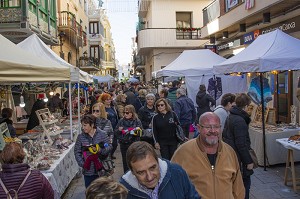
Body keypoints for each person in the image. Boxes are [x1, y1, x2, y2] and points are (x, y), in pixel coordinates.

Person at [171, 112, 245, 199]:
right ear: (199, 128)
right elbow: (173, 185)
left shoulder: (229, 151)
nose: (213, 131)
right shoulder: (183, 152)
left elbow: (238, 187)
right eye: (208, 127)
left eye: (216, 126)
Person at [120, 141, 200, 199]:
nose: (149, 177)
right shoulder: (122, 191)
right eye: (141, 172)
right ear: (132, 172)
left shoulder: (177, 173)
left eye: (152, 168)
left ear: (158, 161)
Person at [222, 93, 253, 199]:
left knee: (237, 185)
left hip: (232, 156)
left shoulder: (231, 116)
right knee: (244, 185)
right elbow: (241, 144)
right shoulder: (239, 120)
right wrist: (248, 161)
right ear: (246, 106)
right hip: (238, 158)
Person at [74, 114, 112, 188]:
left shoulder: (102, 134)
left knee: (103, 192)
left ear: (92, 124)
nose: (83, 127)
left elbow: (109, 147)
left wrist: (100, 150)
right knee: (90, 192)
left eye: (85, 125)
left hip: (102, 169)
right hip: (88, 171)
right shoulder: (81, 137)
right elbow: (77, 152)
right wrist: (83, 164)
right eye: (82, 125)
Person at [114, 105, 143, 173]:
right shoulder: (121, 120)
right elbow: (115, 132)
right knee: (125, 162)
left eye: (127, 113)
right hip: (124, 144)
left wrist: (132, 131)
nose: (125, 114)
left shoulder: (137, 121)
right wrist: (119, 130)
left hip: (134, 144)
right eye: (124, 112)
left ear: (132, 113)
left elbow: (141, 132)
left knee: (135, 161)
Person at [101, 93, 119, 159]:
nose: (109, 101)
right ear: (103, 101)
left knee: (115, 143)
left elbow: (116, 116)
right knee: (108, 143)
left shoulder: (112, 108)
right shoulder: (103, 109)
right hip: (107, 129)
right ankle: (108, 156)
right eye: (107, 100)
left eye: (109, 99)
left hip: (114, 127)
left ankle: (111, 154)